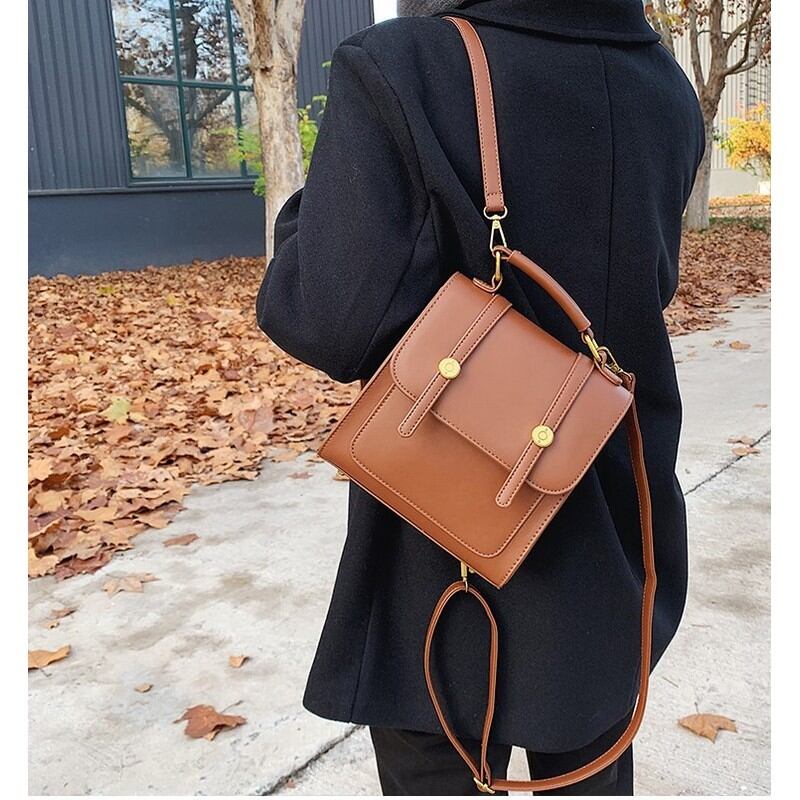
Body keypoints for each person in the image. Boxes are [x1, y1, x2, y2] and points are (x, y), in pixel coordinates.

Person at [256, 0, 704, 794]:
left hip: (448, 533)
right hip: (613, 508)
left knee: (440, 747)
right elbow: (647, 286)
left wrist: (307, 218)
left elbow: (329, 319)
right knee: (594, 755)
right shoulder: (667, 88)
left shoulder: (405, 66)